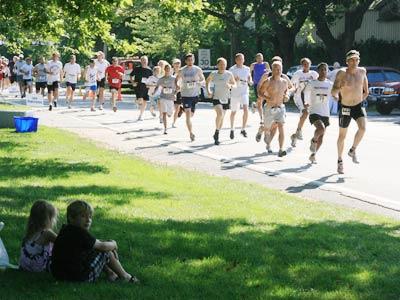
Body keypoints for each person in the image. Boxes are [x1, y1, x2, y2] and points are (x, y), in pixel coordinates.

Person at [50, 200, 139, 283]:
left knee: (94, 250)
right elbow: (103, 247)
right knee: (106, 252)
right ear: (71, 218)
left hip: (59, 275)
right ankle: (125, 276)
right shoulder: (80, 233)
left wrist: (106, 244)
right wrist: (113, 244)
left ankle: (111, 273)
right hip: (78, 278)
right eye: (83, 216)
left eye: (90, 217)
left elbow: (94, 243)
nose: (88, 220)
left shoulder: (66, 230)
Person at [331, 50, 368, 174]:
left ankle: (352, 150)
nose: (354, 62)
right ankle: (340, 160)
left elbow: (366, 91)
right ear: (347, 61)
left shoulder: (362, 71)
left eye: (356, 59)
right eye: (352, 60)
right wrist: (338, 90)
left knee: (362, 128)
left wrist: (359, 100)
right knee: (342, 135)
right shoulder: (342, 73)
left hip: (357, 106)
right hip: (345, 107)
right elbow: (333, 91)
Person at [255, 56, 293, 153]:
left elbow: (291, 88)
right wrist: (266, 98)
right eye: (275, 69)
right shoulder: (267, 80)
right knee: (268, 128)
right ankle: (261, 130)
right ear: (272, 69)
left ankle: (281, 149)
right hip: (269, 108)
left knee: (280, 126)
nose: (277, 71)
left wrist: (287, 95)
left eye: (279, 69)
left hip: (280, 107)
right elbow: (260, 92)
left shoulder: (284, 81)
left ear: (282, 69)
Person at [303, 63, 333, 163]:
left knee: (322, 135)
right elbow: (305, 93)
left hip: (325, 112)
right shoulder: (312, 83)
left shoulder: (330, 84)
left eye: (325, 70)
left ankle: (313, 154)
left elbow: (335, 94)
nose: (323, 71)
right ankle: (314, 140)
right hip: (314, 111)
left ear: (327, 71)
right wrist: (306, 102)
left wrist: (337, 97)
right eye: (321, 70)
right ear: (318, 71)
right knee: (321, 128)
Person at [19, 200, 58, 272]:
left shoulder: (29, 233)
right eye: (52, 218)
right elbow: (63, 243)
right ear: (47, 219)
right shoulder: (46, 233)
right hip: (38, 268)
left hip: (25, 266)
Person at [175, 53, 205, 141]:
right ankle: (191, 133)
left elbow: (203, 79)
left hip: (195, 95)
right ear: (185, 61)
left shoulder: (198, 69)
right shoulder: (182, 70)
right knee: (188, 115)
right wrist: (177, 85)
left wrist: (200, 82)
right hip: (185, 95)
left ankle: (182, 109)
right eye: (188, 60)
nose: (190, 61)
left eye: (192, 60)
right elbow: (177, 79)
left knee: (191, 115)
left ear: (194, 60)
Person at [206, 57, 236, 145]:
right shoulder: (213, 74)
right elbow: (207, 81)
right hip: (216, 97)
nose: (223, 66)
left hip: (226, 98)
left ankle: (217, 132)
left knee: (222, 117)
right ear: (217, 65)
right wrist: (208, 91)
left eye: (224, 64)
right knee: (220, 114)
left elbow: (234, 85)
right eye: (221, 64)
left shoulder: (229, 74)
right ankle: (217, 132)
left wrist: (230, 85)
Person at [290, 58, 318, 147]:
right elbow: (291, 85)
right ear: (302, 65)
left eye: (308, 64)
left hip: (309, 97)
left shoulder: (314, 74)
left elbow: (319, 83)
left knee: (304, 116)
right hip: (299, 97)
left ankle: (295, 135)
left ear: (310, 64)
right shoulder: (298, 74)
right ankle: (299, 131)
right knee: (305, 113)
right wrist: (291, 91)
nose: (306, 65)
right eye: (304, 64)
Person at [229, 53, 252, 139]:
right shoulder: (232, 69)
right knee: (234, 112)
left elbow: (249, 77)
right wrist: (234, 80)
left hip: (244, 92)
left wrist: (250, 81)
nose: (240, 61)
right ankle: (232, 129)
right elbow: (229, 81)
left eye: (242, 59)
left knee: (246, 109)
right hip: (235, 93)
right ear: (236, 60)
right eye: (239, 59)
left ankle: (243, 129)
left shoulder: (247, 69)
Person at [154, 64, 177, 134]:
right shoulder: (161, 79)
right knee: (164, 113)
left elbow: (178, 87)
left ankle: (169, 113)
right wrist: (154, 93)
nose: (167, 70)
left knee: (170, 114)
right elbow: (157, 86)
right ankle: (165, 129)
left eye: (169, 69)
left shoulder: (174, 79)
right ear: (164, 70)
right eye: (166, 69)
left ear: (171, 70)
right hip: (163, 97)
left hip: (170, 98)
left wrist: (175, 93)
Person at [130, 56, 153, 121]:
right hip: (138, 86)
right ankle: (137, 101)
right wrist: (133, 82)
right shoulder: (137, 69)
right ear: (141, 61)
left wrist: (150, 85)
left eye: (145, 60)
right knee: (140, 100)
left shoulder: (149, 70)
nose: (144, 62)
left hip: (146, 87)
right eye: (142, 60)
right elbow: (131, 76)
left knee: (145, 101)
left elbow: (151, 79)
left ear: (147, 61)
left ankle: (141, 115)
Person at [250, 53, 270, 123]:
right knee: (260, 100)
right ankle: (262, 118)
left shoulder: (266, 64)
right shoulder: (253, 65)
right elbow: (249, 73)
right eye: (258, 58)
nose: (259, 59)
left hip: (265, 84)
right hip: (257, 84)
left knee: (261, 100)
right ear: (256, 59)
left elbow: (269, 72)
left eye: (261, 57)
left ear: (263, 58)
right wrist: (251, 80)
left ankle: (255, 105)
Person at [171, 58, 183, 128]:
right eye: (175, 63)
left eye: (178, 63)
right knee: (170, 107)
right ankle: (181, 108)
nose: (177, 65)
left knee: (177, 108)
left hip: (179, 91)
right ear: (173, 64)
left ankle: (174, 123)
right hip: (171, 91)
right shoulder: (170, 71)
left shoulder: (182, 72)